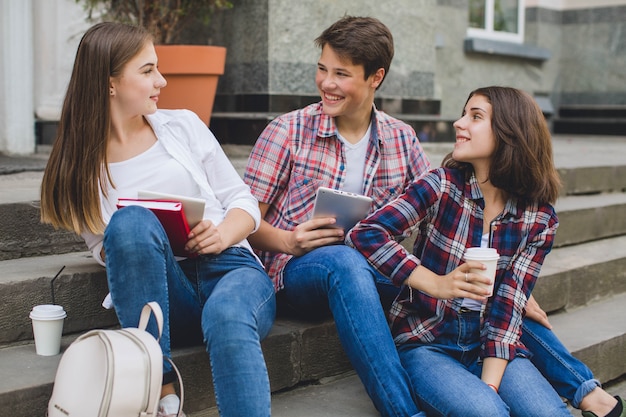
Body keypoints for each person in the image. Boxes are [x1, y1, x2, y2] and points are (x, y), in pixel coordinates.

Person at [40, 22, 276, 417]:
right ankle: (163, 393)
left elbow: (243, 201)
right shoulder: (80, 166)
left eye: (158, 68)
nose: (161, 80)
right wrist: (154, 238)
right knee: (130, 222)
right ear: (110, 83)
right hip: (167, 297)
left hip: (232, 271)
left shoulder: (182, 125)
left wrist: (219, 235)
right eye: (147, 70)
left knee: (226, 314)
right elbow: (104, 247)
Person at [346, 86, 576, 416]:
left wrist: (489, 386)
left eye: (475, 116)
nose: (458, 123)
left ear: (509, 132)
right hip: (427, 343)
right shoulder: (441, 185)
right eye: (463, 113)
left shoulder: (538, 220)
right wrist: (434, 283)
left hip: (488, 344)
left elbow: (507, 310)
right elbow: (367, 233)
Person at [244, 15, 430, 417]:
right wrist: (288, 241)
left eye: (341, 74)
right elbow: (244, 221)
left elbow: (437, 216)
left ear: (375, 77)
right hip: (295, 272)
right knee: (345, 262)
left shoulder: (401, 138)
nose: (327, 83)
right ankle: (404, 412)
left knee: (447, 282)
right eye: (322, 69)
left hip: (372, 270)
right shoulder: (287, 131)